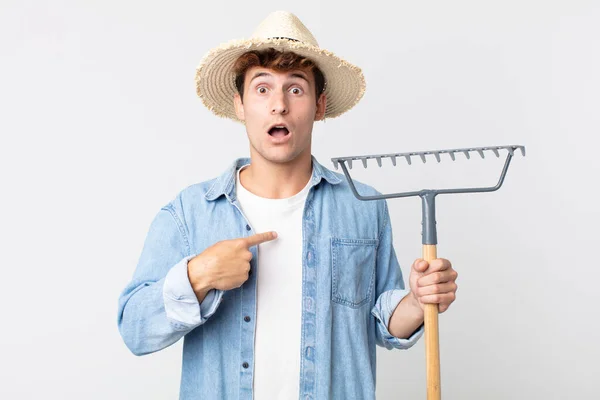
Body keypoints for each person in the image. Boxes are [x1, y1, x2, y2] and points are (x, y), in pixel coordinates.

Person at [117, 10, 458, 400]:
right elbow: (135, 330)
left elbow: (385, 323)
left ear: (319, 105)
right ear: (241, 105)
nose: (278, 105)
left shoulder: (364, 206)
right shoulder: (189, 213)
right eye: (262, 89)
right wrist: (199, 275)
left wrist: (417, 301)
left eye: (295, 89)